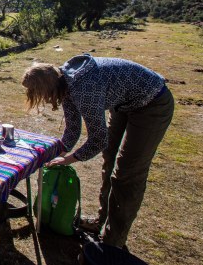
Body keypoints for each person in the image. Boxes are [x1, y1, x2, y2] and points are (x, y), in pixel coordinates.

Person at [21, 54, 174, 248]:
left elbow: (98, 139)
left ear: (46, 87)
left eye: (36, 92)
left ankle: (113, 242)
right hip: (123, 102)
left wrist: (68, 160)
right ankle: (100, 221)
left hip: (152, 102)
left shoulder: (83, 89)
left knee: (126, 174)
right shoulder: (63, 84)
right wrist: (55, 153)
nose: (37, 98)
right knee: (109, 160)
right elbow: (73, 130)